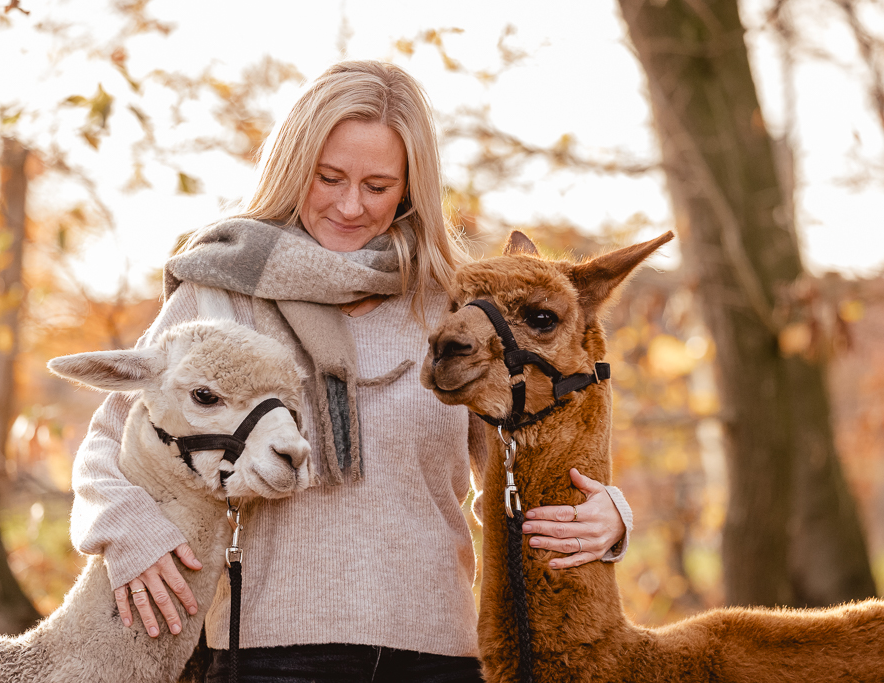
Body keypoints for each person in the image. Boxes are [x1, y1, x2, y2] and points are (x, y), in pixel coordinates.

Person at [71, 60, 631, 683]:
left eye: (377, 185)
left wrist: (610, 518)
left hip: (436, 654)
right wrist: (127, 530)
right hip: (262, 655)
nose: (349, 205)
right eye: (329, 176)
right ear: (293, 166)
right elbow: (107, 442)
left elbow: (522, 450)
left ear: (411, 188)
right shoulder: (222, 295)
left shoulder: (454, 310)